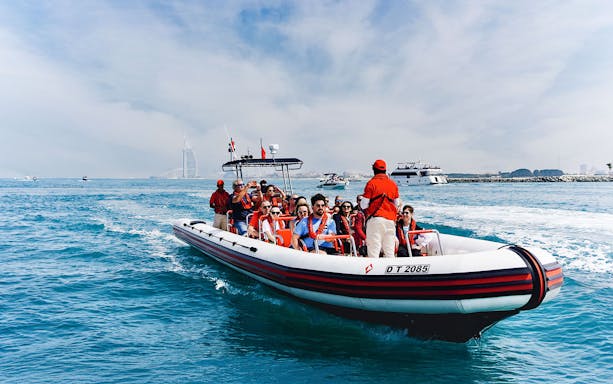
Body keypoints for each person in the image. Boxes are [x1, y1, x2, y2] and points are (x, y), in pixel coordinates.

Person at [360, 159, 400, 258]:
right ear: (385, 170)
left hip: (376, 220)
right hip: (390, 221)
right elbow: (397, 203)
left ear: (374, 170)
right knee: (390, 252)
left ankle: (373, 273)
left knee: (374, 251)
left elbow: (364, 205)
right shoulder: (393, 184)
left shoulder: (371, 183)